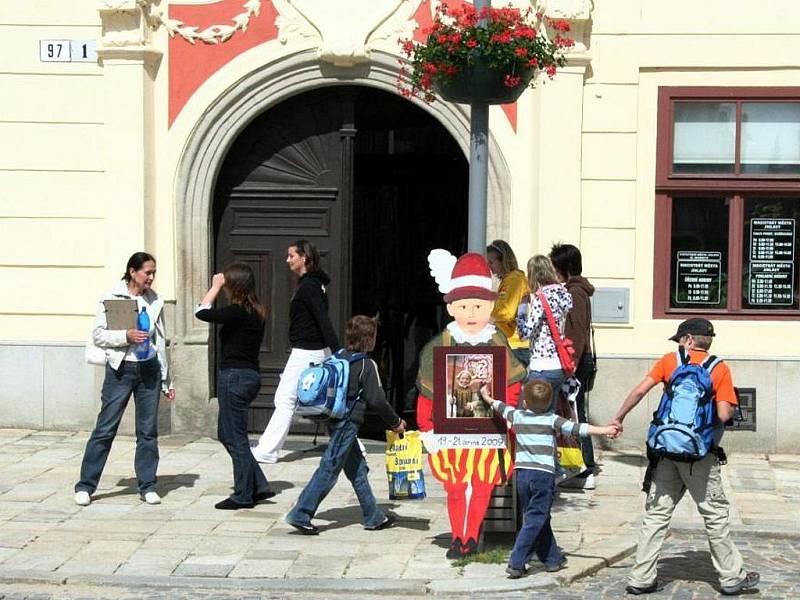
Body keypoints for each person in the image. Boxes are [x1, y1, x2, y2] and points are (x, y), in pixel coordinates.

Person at [610, 318, 760, 596]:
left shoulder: (670, 361)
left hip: (666, 452)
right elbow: (725, 414)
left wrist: (618, 417)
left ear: (689, 339)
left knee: (656, 516)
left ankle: (641, 578)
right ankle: (730, 578)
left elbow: (641, 390)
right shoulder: (719, 368)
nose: (679, 343)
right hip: (700, 456)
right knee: (714, 515)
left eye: (680, 338)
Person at [417, 251, 527, 558]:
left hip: (489, 428)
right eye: (464, 306)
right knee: (455, 484)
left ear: (490, 306)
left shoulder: (497, 342)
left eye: (477, 306)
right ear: (451, 307)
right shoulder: (439, 345)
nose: (470, 312)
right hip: (451, 430)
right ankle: (457, 535)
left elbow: (514, 383)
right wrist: (427, 426)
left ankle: (471, 535)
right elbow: (427, 391)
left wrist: (508, 413)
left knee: (481, 483)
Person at [481, 380, 616, 578]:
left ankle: (552, 559)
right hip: (543, 476)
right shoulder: (552, 419)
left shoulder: (517, 416)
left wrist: (486, 397)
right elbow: (578, 428)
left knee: (537, 516)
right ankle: (516, 562)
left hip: (522, 475)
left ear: (525, 403)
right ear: (549, 403)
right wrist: (605, 430)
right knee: (536, 517)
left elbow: (500, 407)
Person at [285, 315, 406, 534]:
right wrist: (396, 422)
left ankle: (373, 516)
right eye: (375, 335)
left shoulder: (339, 356)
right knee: (330, 467)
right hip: (347, 423)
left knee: (357, 469)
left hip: (333, 419)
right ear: (369, 339)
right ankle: (301, 513)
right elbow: (378, 400)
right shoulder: (366, 365)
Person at [75, 252, 175, 507]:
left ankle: (148, 485)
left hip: (149, 370)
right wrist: (125, 336)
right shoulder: (112, 297)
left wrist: (167, 380)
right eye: (147, 272)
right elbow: (99, 335)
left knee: (148, 431)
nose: (151, 277)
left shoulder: (155, 300)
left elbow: (159, 342)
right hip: (121, 370)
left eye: (154, 272)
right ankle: (86, 485)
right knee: (105, 427)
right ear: (133, 272)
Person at [251, 240, 341, 464]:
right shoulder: (313, 284)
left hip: (306, 352)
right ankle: (350, 444)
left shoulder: (310, 286)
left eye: (292, 256)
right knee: (321, 402)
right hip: (310, 350)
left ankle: (267, 450)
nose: (288, 260)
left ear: (304, 258)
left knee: (286, 398)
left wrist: (338, 351)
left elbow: (322, 319)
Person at [195, 263, 275, 509]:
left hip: (235, 378)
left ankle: (242, 495)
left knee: (237, 438)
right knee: (226, 434)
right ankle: (259, 485)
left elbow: (202, 312)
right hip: (248, 376)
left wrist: (214, 287)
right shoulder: (256, 311)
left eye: (227, 284)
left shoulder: (238, 312)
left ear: (234, 286)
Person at [549, 243, 597, 489]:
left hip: (576, 362)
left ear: (564, 268)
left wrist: (570, 367)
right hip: (576, 360)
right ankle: (578, 467)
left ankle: (586, 469)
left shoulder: (575, 293)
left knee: (576, 414)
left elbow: (576, 333)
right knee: (572, 413)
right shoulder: (574, 290)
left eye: (555, 267)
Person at [516, 255, 573, 399]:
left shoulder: (541, 298)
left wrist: (522, 307)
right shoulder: (563, 293)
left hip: (542, 366)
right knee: (549, 415)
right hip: (558, 365)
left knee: (529, 413)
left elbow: (524, 333)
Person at [486, 240, 531, 366]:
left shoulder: (514, 280)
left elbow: (506, 312)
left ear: (503, 260)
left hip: (515, 345)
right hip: (509, 343)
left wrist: (485, 310)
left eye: (492, 262)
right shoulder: (508, 280)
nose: (489, 266)